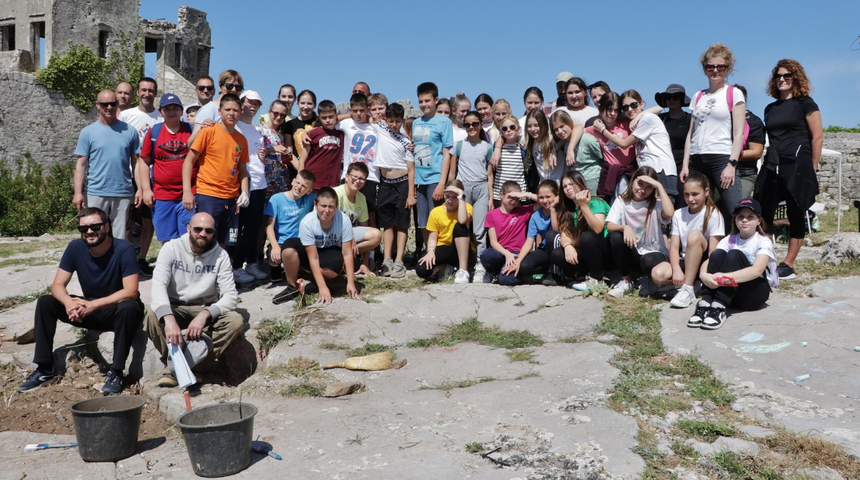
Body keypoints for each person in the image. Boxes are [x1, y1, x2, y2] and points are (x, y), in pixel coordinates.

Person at [18, 208, 144, 394]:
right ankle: (45, 368)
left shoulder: (123, 249)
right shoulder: (75, 247)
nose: (89, 232)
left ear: (107, 227)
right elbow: (57, 286)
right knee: (46, 302)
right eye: (84, 228)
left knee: (128, 306)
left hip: (118, 310)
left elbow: (131, 291)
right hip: (91, 310)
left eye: (95, 226)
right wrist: (69, 303)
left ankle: (116, 371)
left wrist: (92, 304)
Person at [144, 212, 243, 387]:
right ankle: (176, 365)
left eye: (208, 230)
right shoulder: (171, 248)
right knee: (151, 313)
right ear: (189, 228)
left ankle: (192, 367)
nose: (203, 234)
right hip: (175, 305)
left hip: (203, 306)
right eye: (198, 229)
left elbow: (230, 296)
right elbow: (158, 286)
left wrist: (206, 314)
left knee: (235, 321)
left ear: (214, 232)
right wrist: (168, 319)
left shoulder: (220, 255)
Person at [757, 59, 823, 280]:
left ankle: (789, 264)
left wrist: (813, 168)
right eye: (778, 76)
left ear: (796, 78)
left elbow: (817, 136)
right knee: (763, 212)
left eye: (787, 76)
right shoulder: (770, 108)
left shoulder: (806, 103)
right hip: (772, 164)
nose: (782, 79)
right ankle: (768, 259)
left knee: (796, 213)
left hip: (797, 164)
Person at [682, 43, 746, 226]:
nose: (715, 70)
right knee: (695, 209)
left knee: (733, 208)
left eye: (720, 67)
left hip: (721, 157)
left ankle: (739, 250)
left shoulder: (734, 93)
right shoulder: (698, 96)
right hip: (697, 158)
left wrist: (732, 164)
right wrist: (686, 164)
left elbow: (739, 133)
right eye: (711, 66)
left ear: (728, 69)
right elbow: (691, 133)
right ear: (705, 69)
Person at [690, 198, 777, 330]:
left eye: (750, 217)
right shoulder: (729, 239)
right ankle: (706, 302)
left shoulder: (763, 241)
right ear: (735, 220)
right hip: (733, 294)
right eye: (740, 216)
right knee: (717, 253)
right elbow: (710, 260)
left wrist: (724, 278)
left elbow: (757, 270)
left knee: (734, 254)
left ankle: (719, 306)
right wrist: (704, 275)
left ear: (759, 220)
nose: (744, 220)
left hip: (753, 295)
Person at [181, 94, 250, 249]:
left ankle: (219, 272)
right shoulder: (208, 131)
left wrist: (244, 192)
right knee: (203, 239)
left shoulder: (242, 140)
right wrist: (187, 191)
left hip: (232, 198)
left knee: (226, 241)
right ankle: (200, 271)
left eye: (236, 110)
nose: (231, 113)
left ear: (240, 112)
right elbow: (188, 161)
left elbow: (243, 170)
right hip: (208, 195)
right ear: (219, 111)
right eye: (228, 109)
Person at [74, 90, 141, 240]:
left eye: (113, 103)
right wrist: (78, 193)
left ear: (118, 104)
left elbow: (136, 163)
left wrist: (140, 189)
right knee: (94, 234)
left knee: (121, 236)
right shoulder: (88, 132)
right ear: (98, 105)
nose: (109, 107)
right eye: (105, 104)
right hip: (96, 192)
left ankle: (117, 264)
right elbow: (81, 165)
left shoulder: (130, 132)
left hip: (123, 192)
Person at [595, 90, 679, 202]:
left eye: (633, 105)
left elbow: (624, 144)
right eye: (625, 108)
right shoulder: (637, 122)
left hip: (661, 170)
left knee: (664, 209)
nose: (629, 109)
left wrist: (602, 130)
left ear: (642, 103)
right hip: (648, 170)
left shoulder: (647, 118)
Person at [606, 167, 675, 298]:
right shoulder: (622, 201)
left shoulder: (656, 204)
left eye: (649, 187)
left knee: (647, 260)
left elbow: (669, 213)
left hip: (654, 253)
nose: (642, 190)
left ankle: (649, 280)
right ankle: (626, 281)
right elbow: (610, 225)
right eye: (640, 184)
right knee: (615, 237)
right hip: (634, 252)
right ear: (633, 181)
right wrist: (625, 228)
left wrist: (659, 186)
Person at [138, 93, 195, 244]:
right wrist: (146, 189)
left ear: (181, 111)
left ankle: (186, 267)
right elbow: (143, 162)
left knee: (187, 238)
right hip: (162, 195)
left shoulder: (191, 130)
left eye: (175, 108)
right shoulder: (154, 132)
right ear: (161, 112)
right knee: (167, 240)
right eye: (167, 109)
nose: (171, 112)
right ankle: (170, 267)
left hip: (187, 195)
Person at [120, 77, 161, 276]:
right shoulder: (127, 115)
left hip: (153, 177)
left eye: (150, 90)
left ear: (155, 93)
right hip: (127, 174)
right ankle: (128, 259)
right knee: (126, 221)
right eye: (143, 90)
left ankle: (142, 259)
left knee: (148, 221)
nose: (147, 93)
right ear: (137, 93)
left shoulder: (161, 118)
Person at [668, 172, 725, 308]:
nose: (690, 199)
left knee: (693, 235)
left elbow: (713, 252)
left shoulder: (713, 214)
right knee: (658, 274)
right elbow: (674, 247)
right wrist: (676, 269)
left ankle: (688, 288)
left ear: (706, 192)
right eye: (686, 194)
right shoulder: (678, 214)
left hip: (703, 262)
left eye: (695, 194)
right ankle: (693, 284)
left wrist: (704, 273)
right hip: (684, 259)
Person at [373, 103, 415, 279]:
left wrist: (411, 194)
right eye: (390, 121)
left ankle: (399, 261)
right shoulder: (380, 127)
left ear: (402, 120)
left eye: (397, 121)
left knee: (402, 224)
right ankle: (387, 259)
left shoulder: (406, 142)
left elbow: (412, 169)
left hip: (403, 183)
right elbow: (357, 115)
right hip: (385, 183)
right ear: (385, 120)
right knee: (387, 224)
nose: (393, 124)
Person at [299, 187, 360, 305]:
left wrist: (351, 282)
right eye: (323, 206)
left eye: (331, 207)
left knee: (337, 261)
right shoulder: (306, 222)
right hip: (312, 253)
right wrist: (322, 288)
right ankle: (297, 284)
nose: (327, 210)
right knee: (290, 248)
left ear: (336, 207)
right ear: (315, 205)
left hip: (330, 251)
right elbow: (313, 258)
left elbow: (347, 253)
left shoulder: (344, 219)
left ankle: (315, 277)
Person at [552, 171, 612, 290]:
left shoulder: (596, 202)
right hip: (587, 253)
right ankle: (582, 275)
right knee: (557, 254)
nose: (568, 188)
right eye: (565, 186)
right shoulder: (568, 209)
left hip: (605, 251)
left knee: (586, 237)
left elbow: (598, 229)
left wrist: (583, 205)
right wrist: (568, 246)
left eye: (571, 184)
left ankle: (597, 279)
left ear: (580, 183)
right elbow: (564, 235)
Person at [232, 91, 269, 283]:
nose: (253, 106)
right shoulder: (234, 126)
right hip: (242, 184)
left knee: (254, 229)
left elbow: (257, 158)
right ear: (242, 102)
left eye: (257, 103)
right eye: (250, 102)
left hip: (259, 183)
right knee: (237, 230)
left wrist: (263, 157)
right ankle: (235, 267)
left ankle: (251, 263)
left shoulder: (257, 131)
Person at [412, 82, 454, 247]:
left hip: (435, 178)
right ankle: (429, 250)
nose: (424, 105)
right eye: (421, 101)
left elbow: (446, 155)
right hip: (419, 179)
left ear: (436, 100)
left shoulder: (444, 122)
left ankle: (439, 254)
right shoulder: (416, 122)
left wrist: (442, 183)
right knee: (422, 221)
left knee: (436, 219)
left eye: (427, 100)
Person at [266, 170, 316, 303]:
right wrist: (275, 246)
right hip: (281, 241)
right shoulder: (276, 199)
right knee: (274, 257)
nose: (299, 187)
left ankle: (295, 271)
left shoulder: (310, 198)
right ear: (293, 181)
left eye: (304, 186)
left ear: (309, 190)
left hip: (298, 242)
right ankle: (276, 270)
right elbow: (269, 225)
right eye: (298, 183)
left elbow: (329, 193)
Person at [453, 111, 493, 266]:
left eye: (475, 124)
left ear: (481, 125)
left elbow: (490, 175)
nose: (471, 127)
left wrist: (490, 196)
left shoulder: (487, 147)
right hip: (463, 188)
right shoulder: (459, 146)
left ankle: (481, 264)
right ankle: (461, 263)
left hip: (481, 188)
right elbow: (452, 171)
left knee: (479, 230)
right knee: (461, 226)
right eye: (467, 124)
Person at [336, 93, 380, 226]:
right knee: (346, 209)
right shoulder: (347, 123)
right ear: (350, 111)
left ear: (368, 109)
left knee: (370, 211)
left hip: (371, 175)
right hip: (350, 175)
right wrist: (349, 115)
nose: (359, 114)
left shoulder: (376, 126)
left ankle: (372, 245)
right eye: (355, 111)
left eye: (362, 110)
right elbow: (332, 120)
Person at [416, 180, 473, 283]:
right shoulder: (435, 212)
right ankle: (444, 268)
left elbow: (462, 220)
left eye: (454, 197)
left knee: (460, 226)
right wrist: (430, 251)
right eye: (448, 196)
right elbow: (432, 237)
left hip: (460, 248)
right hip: (443, 247)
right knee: (421, 269)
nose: (450, 200)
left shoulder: (466, 207)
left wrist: (461, 195)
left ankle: (463, 270)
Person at [334, 162, 382, 275]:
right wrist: (350, 237)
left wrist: (365, 263)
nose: (358, 181)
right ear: (346, 177)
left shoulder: (361, 198)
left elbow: (365, 229)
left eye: (362, 178)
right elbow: (329, 223)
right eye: (354, 176)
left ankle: (350, 257)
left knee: (376, 235)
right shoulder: (335, 193)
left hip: (348, 238)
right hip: (331, 234)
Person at [588, 92, 635, 200]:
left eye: (616, 110)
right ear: (602, 108)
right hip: (610, 173)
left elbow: (657, 109)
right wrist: (570, 149)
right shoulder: (594, 128)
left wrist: (603, 131)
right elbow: (577, 130)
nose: (612, 113)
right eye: (609, 109)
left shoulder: (627, 123)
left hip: (629, 171)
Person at [655, 84, 692, 208]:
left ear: (682, 100)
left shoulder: (689, 119)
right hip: (664, 167)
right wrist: (660, 107)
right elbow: (644, 116)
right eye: (668, 97)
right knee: (662, 204)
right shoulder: (660, 119)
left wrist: (686, 167)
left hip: (683, 167)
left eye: (675, 97)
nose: (671, 100)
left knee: (682, 202)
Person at [550, 110, 603, 193]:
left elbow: (603, 158)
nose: (560, 131)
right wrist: (554, 151)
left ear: (569, 123)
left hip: (593, 179)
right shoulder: (564, 143)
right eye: (556, 129)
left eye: (562, 126)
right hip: (575, 182)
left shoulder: (588, 139)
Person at [299, 100, 345, 189]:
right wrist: (301, 182)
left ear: (336, 115)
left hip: (332, 183)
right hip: (312, 183)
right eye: (324, 118)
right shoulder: (312, 134)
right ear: (319, 118)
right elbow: (302, 160)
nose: (328, 120)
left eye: (330, 117)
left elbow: (351, 115)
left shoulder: (341, 133)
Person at [555, 77, 599, 168]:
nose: (574, 96)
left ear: (585, 92)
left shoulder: (595, 113)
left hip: (591, 166)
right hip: (567, 167)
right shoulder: (560, 112)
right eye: (570, 93)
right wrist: (553, 150)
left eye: (577, 92)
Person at [190, 70, 244, 144]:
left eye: (238, 87)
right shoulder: (209, 109)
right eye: (229, 86)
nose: (234, 90)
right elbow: (191, 143)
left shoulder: (237, 113)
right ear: (220, 87)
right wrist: (201, 130)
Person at [732, 85, 765, 200]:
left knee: (737, 206)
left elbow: (756, 152)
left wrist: (730, 156)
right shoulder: (722, 119)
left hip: (744, 173)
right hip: (720, 171)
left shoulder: (754, 122)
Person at [492, 116, 527, 206]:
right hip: (500, 194)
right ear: (501, 132)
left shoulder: (523, 147)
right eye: (504, 128)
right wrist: (497, 148)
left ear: (518, 129)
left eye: (512, 127)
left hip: (519, 194)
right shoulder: (497, 147)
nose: (508, 130)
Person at [524, 109, 558, 186]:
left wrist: (556, 148)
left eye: (536, 125)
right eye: (529, 126)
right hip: (543, 186)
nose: (533, 129)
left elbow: (577, 128)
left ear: (544, 124)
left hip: (559, 185)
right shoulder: (530, 141)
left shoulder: (553, 138)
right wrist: (497, 148)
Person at [282, 89, 318, 159]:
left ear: (315, 105)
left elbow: (335, 118)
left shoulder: (320, 123)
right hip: (296, 168)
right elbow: (289, 150)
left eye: (309, 103)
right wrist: (300, 168)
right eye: (302, 103)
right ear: (297, 104)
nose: (306, 107)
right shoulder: (290, 124)